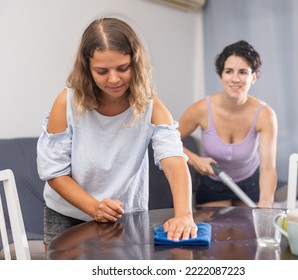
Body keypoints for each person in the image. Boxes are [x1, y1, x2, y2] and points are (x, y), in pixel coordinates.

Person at [36, 17, 197, 251]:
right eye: (102, 71)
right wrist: (93, 207)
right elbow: (54, 172)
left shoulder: (150, 105)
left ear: (135, 63)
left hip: (124, 216)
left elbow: (174, 161)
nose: (113, 79)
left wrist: (184, 214)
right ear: (87, 68)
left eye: (122, 68)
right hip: (66, 215)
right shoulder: (67, 102)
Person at [178, 40, 278, 208]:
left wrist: (266, 205)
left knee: (248, 233)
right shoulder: (201, 109)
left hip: (250, 184)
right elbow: (169, 139)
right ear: (221, 77)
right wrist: (195, 160)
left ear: (253, 77)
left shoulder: (265, 115)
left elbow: (268, 167)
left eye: (243, 72)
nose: (235, 79)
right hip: (212, 185)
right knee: (218, 232)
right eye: (229, 71)